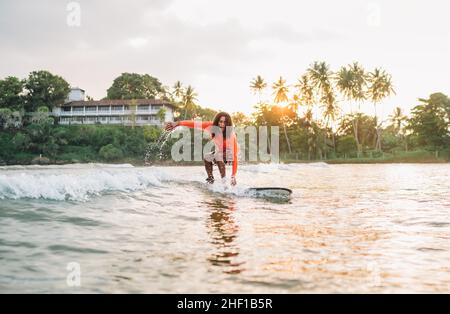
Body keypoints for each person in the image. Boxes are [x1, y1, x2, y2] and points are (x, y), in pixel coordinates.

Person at [165, 112, 238, 186]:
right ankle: (210, 180)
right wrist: (177, 123)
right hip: (219, 153)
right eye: (220, 121)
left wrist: (233, 176)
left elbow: (234, 157)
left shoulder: (230, 135)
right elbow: (194, 124)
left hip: (230, 155)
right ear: (217, 122)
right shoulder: (211, 126)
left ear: (228, 124)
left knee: (218, 155)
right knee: (207, 157)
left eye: (225, 122)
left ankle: (224, 182)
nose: (222, 124)